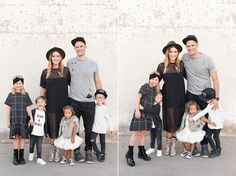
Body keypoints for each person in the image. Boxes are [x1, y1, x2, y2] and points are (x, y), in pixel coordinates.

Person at [182, 35, 220, 158]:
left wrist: (216, 98)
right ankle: (194, 144)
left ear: (197, 45)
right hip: (191, 93)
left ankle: (204, 145)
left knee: (203, 120)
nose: (190, 48)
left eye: (193, 45)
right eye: (188, 46)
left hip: (204, 96)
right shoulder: (185, 57)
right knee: (192, 119)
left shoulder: (207, 60)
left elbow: (215, 80)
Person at [67, 37, 102, 164]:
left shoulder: (93, 63)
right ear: (74, 49)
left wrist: (101, 97)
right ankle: (76, 150)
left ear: (85, 47)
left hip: (88, 102)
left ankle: (88, 150)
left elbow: (97, 81)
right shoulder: (70, 62)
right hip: (74, 101)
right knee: (74, 128)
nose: (79, 48)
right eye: (77, 47)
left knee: (88, 128)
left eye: (81, 46)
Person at [40, 47, 70, 162]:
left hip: (63, 105)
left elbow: (72, 85)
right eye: (53, 56)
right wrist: (41, 103)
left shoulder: (66, 71)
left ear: (61, 57)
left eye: (58, 56)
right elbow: (43, 88)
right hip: (51, 104)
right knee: (52, 129)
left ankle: (59, 151)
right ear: (50, 58)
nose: (56, 58)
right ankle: (53, 150)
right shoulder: (45, 72)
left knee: (61, 129)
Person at [157, 41, 186, 156]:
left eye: (175, 51)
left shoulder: (181, 65)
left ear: (178, 53)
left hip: (180, 96)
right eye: (171, 51)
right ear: (167, 53)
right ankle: (167, 144)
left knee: (177, 121)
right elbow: (155, 82)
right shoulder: (162, 66)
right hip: (168, 96)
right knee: (170, 121)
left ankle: (173, 145)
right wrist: (159, 93)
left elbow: (190, 77)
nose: (173, 54)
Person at [125, 71, 160, 167]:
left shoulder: (155, 90)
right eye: (152, 79)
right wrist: (137, 110)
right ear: (149, 79)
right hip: (140, 112)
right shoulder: (145, 86)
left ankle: (141, 151)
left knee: (144, 132)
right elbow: (138, 98)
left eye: (156, 80)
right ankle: (129, 154)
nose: (154, 81)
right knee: (136, 132)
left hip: (148, 114)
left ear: (158, 81)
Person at [5, 75, 33, 165]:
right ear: (13, 84)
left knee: (22, 138)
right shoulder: (11, 95)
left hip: (23, 119)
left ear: (22, 84)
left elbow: (28, 107)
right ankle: (15, 156)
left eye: (20, 83)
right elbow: (8, 109)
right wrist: (8, 120)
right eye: (16, 83)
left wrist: (31, 118)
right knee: (16, 138)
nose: (18, 85)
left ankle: (21, 156)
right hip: (14, 119)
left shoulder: (25, 94)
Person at [192, 88, 223, 158]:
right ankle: (214, 149)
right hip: (211, 124)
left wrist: (194, 118)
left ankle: (218, 149)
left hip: (217, 125)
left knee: (216, 137)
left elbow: (203, 112)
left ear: (212, 98)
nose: (205, 101)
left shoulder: (212, 105)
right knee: (208, 136)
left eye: (206, 100)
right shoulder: (210, 103)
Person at [91, 89, 113, 162]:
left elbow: (109, 119)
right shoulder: (93, 107)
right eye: (98, 97)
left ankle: (102, 154)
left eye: (101, 97)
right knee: (92, 140)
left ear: (104, 99)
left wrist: (111, 127)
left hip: (102, 128)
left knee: (102, 141)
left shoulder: (105, 108)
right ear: (95, 98)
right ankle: (97, 152)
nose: (99, 99)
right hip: (94, 127)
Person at [28, 96, 48, 165]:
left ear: (45, 104)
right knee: (31, 145)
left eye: (42, 102)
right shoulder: (33, 111)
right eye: (38, 102)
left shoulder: (46, 113)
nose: (40, 103)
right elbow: (28, 118)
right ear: (36, 103)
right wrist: (30, 121)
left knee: (39, 146)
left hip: (40, 133)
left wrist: (46, 132)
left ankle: (39, 158)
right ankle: (31, 153)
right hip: (33, 132)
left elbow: (46, 124)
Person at [143, 92, 163, 157]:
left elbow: (151, 110)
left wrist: (144, 108)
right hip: (152, 125)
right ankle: (152, 148)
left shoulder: (158, 106)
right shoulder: (151, 103)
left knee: (158, 137)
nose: (158, 98)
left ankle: (159, 149)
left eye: (160, 97)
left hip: (158, 124)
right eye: (157, 96)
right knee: (152, 137)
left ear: (161, 100)